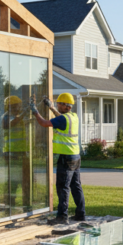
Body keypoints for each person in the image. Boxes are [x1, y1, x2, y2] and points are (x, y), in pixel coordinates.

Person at [32, 92, 85, 226]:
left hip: (66, 158)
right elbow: (61, 117)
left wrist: (35, 111)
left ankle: (62, 217)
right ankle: (80, 214)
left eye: (59, 104)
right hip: (76, 156)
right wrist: (51, 108)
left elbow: (44, 123)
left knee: (63, 187)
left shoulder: (63, 119)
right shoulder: (73, 116)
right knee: (76, 186)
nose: (57, 105)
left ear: (66, 106)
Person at [2, 95, 31, 208]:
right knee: (13, 180)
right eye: (15, 106)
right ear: (9, 107)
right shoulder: (6, 117)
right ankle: (10, 203)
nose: (18, 108)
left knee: (26, 180)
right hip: (11, 154)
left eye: (18, 106)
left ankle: (26, 203)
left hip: (22, 153)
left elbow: (25, 121)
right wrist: (24, 112)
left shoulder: (19, 117)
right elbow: (10, 124)